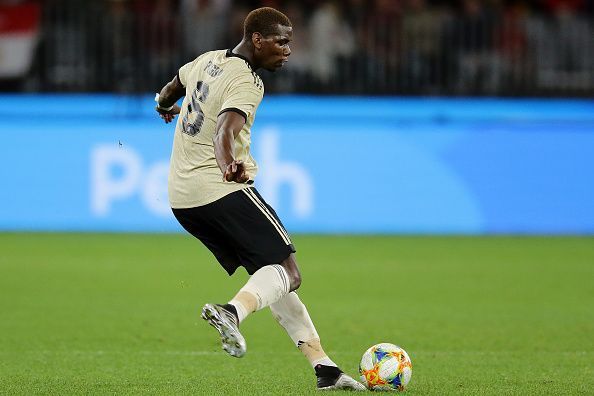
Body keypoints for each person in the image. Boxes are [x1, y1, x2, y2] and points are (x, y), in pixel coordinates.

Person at [154, 7, 365, 391]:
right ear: (257, 40)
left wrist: (164, 106)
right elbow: (224, 131)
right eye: (282, 42)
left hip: (181, 198)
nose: (288, 50)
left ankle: (324, 367)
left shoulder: (207, 60)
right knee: (289, 272)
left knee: (270, 277)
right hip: (219, 187)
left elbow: (171, 89)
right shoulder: (248, 82)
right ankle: (230, 312)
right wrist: (229, 164)